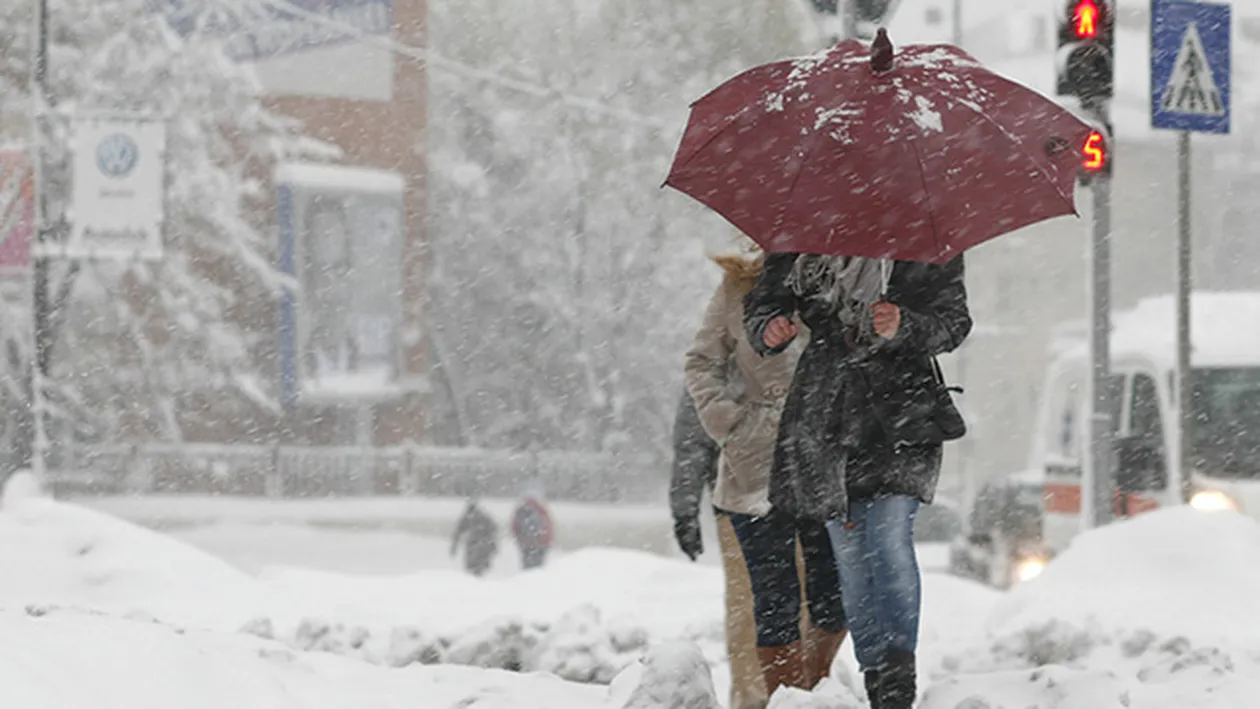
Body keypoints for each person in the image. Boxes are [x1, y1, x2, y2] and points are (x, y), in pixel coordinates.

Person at [744, 253, 971, 709]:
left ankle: (898, 679)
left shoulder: (920, 237)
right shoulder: (804, 234)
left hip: (902, 414)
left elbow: (953, 321)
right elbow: (762, 304)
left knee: (887, 540)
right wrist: (768, 327)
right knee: (851, 557)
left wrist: (904, 324)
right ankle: (876, 679)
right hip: (826, 414)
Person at [685, 248, 849, 699]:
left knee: (833, 593)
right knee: (772, 597)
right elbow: (702, 361)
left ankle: (813, 690)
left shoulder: (848, 277)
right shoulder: (742, 284)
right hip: (755, 458)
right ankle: (783, 700)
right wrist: (730, 424)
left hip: (828, 454)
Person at [451, 497, 498, 577]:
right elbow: (493, 530)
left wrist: (454, 546)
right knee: (477, 567)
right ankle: (477, 578)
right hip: (480, 544)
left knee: (474, 566)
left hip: (477, 544)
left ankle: (475, 579)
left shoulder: (469, 517)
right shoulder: (481, 516)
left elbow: (458, 532)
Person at [512, 488, 554, 569]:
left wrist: (520, 540)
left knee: (527, 566)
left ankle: (526, 578)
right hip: (540, 544)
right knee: (538, 567)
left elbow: (514, 527)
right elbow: (548, 527)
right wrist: (547, 542)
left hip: (526, 544)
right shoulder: (541, 510)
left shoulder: (521, 510)